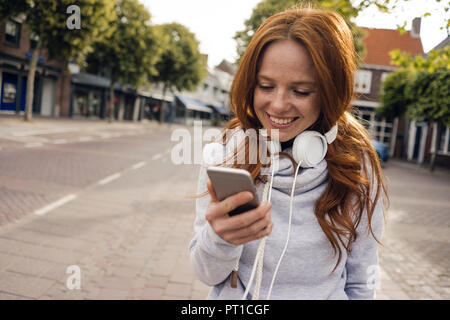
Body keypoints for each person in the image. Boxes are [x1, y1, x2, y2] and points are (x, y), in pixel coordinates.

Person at [189, 5, 388, 300]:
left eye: (301, 91)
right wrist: (219, 239)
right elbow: (207, 274)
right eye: (266, 86)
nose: (279, 105)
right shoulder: (224, 155)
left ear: (330, 93)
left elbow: (363, 282)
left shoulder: (357, 166)